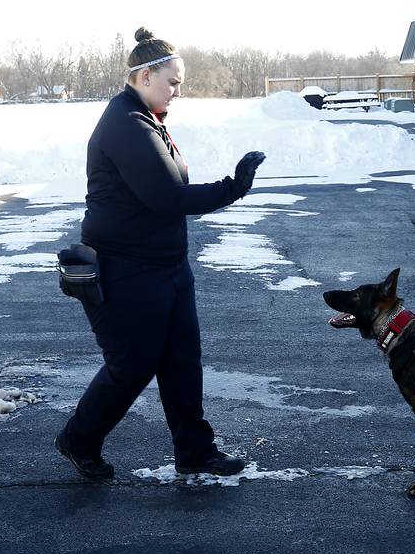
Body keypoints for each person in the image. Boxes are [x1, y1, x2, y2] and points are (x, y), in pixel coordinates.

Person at [55, 27, 265, 480]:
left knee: (181, 361)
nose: (178, 91)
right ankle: (78, 439)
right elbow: (168, 197)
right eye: (173, 81)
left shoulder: (147, 119)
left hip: (166, 267)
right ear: (145, 76)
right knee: (131, 366)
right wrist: (235, 187)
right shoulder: (125, 123)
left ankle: (194, 450)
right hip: (126, 270)